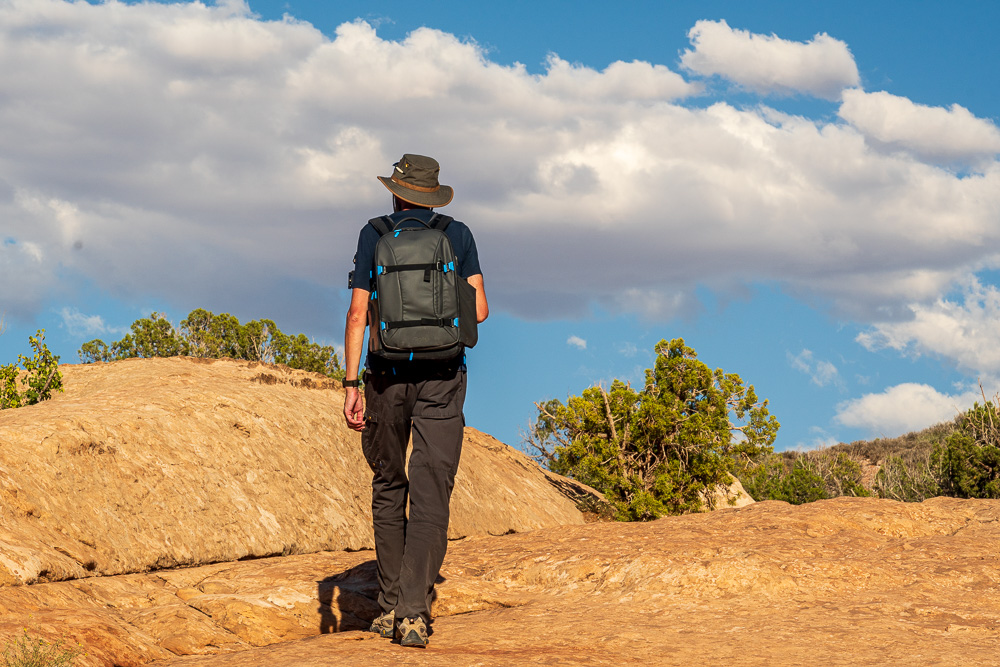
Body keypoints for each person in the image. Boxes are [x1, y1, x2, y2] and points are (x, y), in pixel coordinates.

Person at [342, 154, 489, 648]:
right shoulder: (457, 234)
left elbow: (358, 312)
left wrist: (350, 383)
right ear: (433, 196)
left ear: (397, 192)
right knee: (431, 489)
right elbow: (480, 311)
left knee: (389, 483)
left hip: (386, 377)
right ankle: (412, 613)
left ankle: (388, 606)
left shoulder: (373, 233)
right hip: (443, 376)